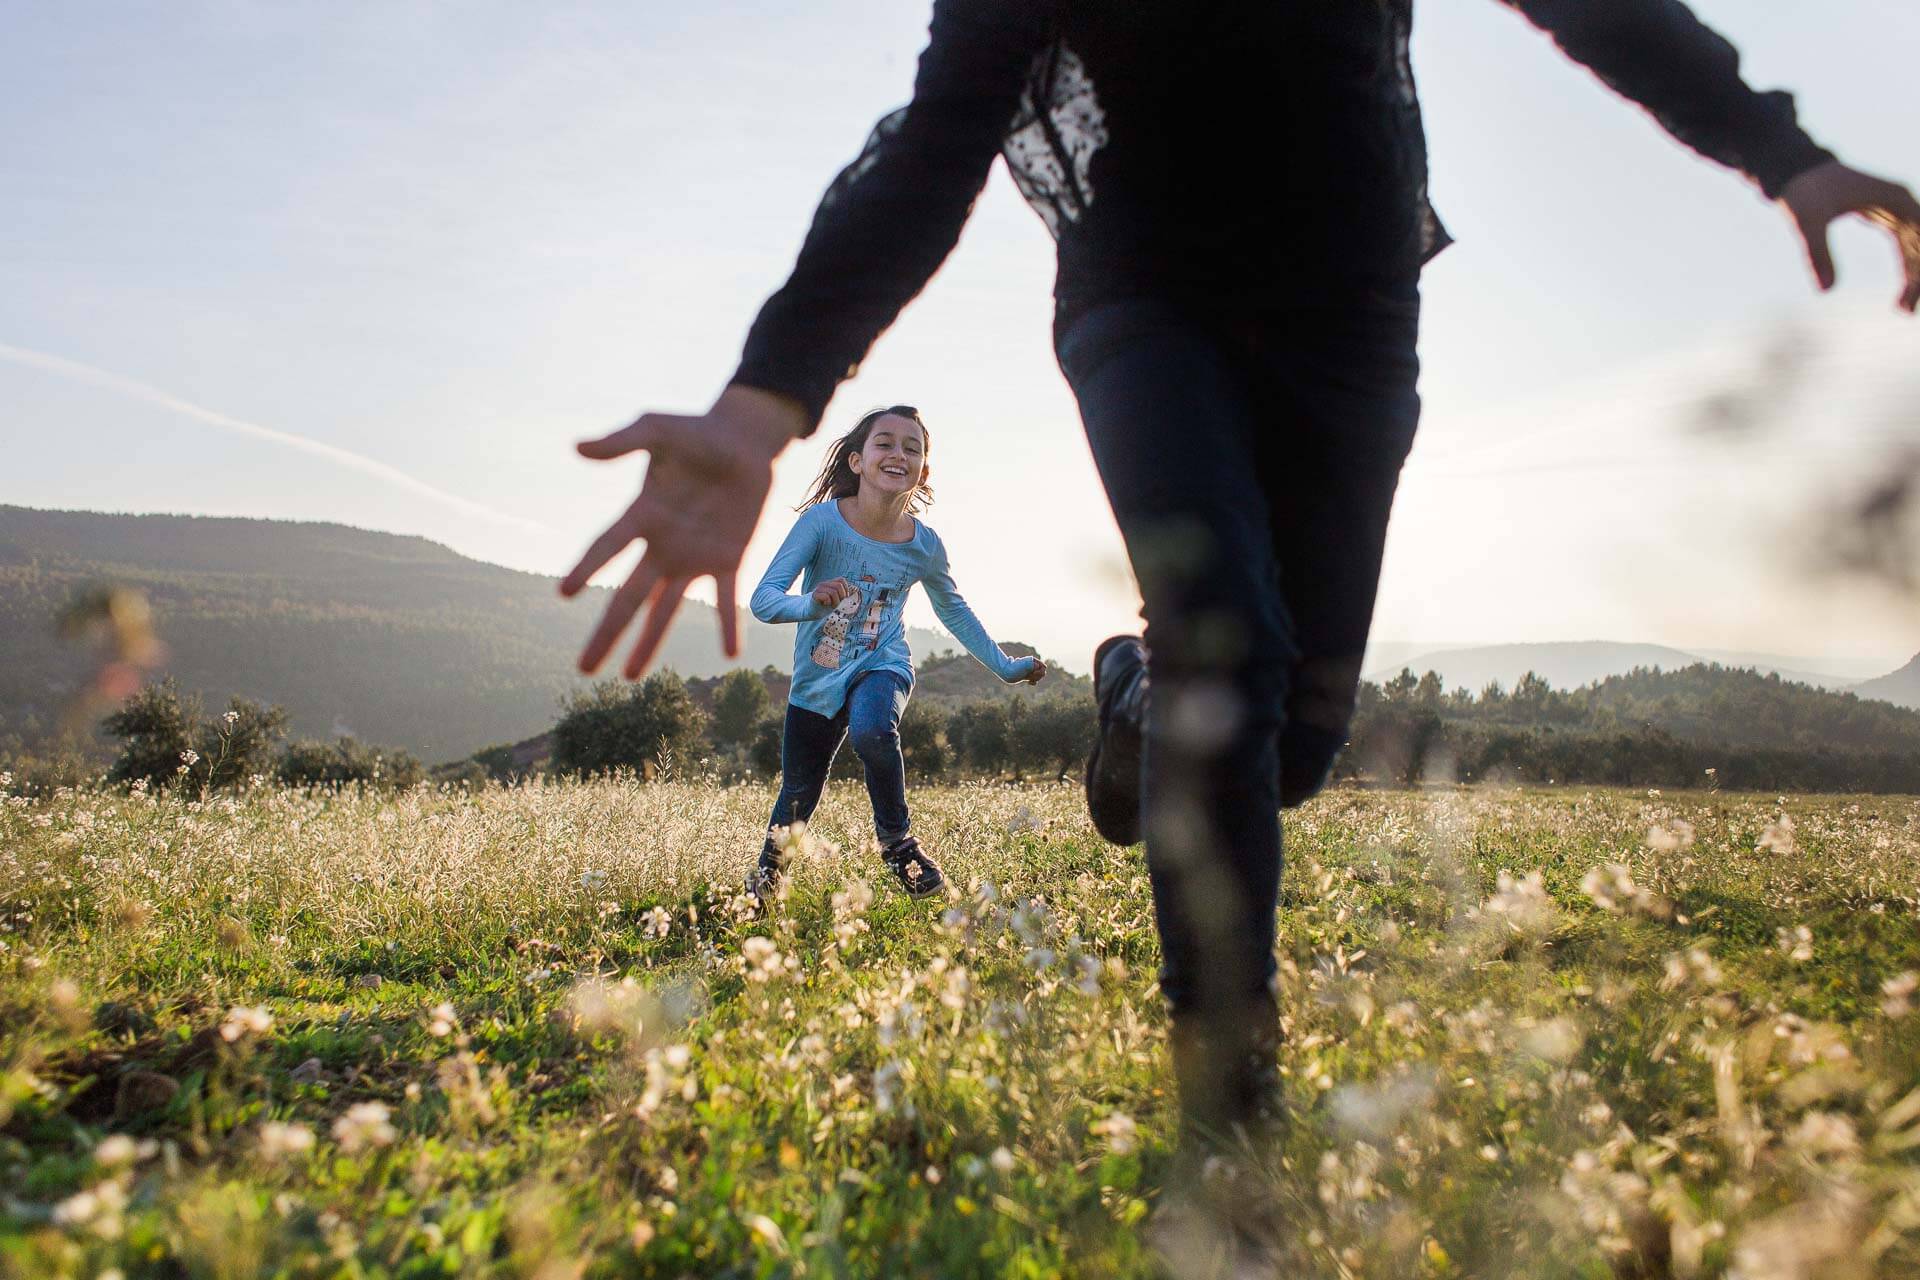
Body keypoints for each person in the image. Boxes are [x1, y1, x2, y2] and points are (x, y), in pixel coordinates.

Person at [559, 0, 1920, 1141]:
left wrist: (1776, 149)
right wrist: (763, 403)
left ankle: (1133, 689)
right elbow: (932, 144)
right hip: (1145, 301)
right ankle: (1230, 1125)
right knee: (1232, 651)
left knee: (1290, 750)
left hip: (1355, 301)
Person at [743, 404, 1046, 903]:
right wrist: (810, 604)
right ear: (858, 461)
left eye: (912, 448)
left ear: (923, 470)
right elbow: (764, 599)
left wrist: (1007, 667)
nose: (898, 454)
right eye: (884, 443)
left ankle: (899, 846)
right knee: (797, 794)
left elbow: (955, 613)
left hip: (883, 663)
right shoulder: (821, 524)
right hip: (816, 678)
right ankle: (765, 884)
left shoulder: (924, 546)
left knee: (873, 731)